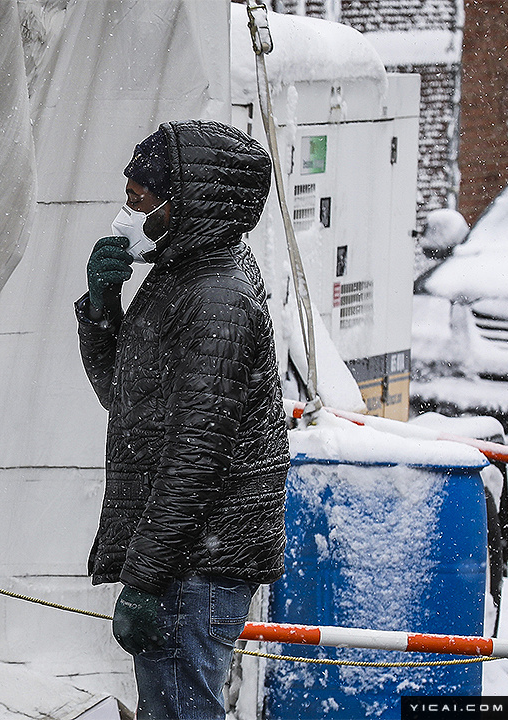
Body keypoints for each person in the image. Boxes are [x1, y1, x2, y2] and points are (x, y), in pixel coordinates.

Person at [75, 120, 289, 719]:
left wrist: (144, 577)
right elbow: (127, 399)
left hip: (198, 562)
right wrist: (101, 308)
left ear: (185, 203)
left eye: (141, 200)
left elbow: (195, 452)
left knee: (181, 711)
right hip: (183, 554)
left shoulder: (216, 296)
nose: (127, 213)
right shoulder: (179, 276)